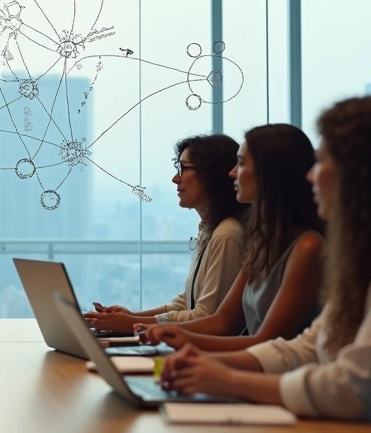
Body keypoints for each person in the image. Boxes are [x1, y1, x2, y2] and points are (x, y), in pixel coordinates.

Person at [159, 95, 371, 433]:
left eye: (321, 161)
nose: (310, 176)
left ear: (362, 175)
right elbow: (308, 348)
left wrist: (229, 379)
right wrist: (208, 365)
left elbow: (352, 391)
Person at [136, 124, 325, 351]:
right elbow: (223, 321)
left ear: (269, 173)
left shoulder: (308, 247)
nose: (232, 173)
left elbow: (266, 343)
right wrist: (166, 332)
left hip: (279, 371)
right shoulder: (260, 241)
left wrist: (174, 337)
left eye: (241, 164)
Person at [86, 134, 248, 333]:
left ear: (211, 174)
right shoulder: (211, 229)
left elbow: (205, 316)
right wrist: (132, 317)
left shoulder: (226, 234)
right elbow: (188, 302)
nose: (175, 178)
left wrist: (131, 323)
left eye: (183, 168)